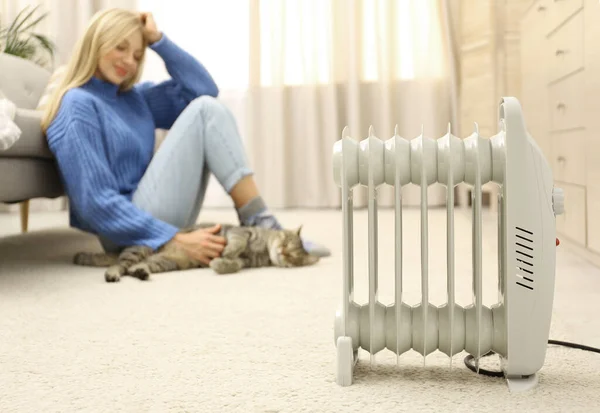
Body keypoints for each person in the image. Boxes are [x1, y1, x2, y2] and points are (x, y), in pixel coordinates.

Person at [41, 8, 330, 265]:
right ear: (96, 43)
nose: (128, 61)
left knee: (206, 107)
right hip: (120, 231)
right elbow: (94, 203)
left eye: (137, 55)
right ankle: (265, 226)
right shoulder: (76, 105)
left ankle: (261, 222)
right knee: (204, 111)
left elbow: (204, 89)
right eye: (120, 48)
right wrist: (174, 239)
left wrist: (159, 41)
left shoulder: (133, 99)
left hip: (150, 214)